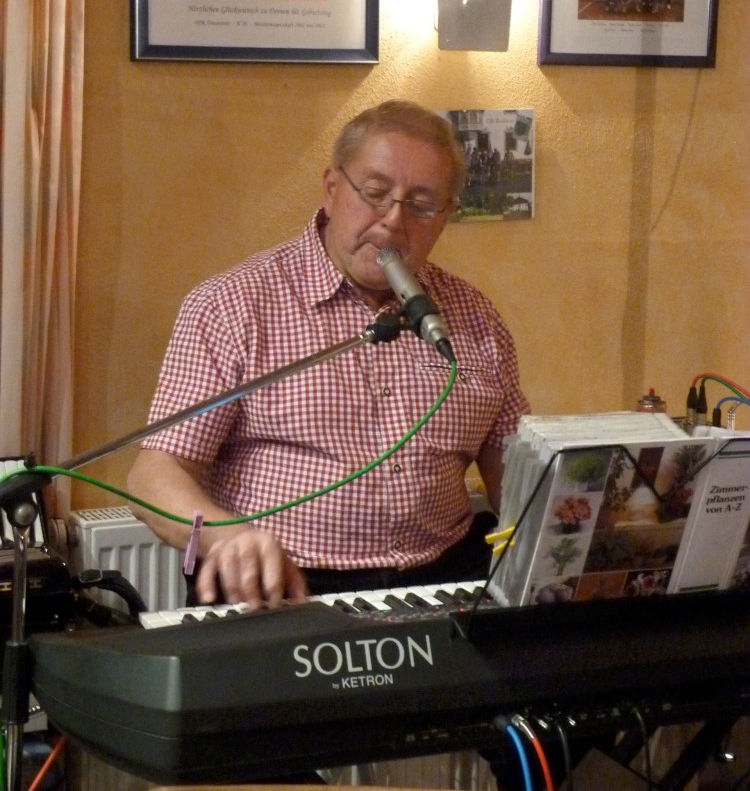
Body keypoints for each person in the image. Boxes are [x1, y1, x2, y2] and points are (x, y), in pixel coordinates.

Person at [127, 101, 529, 611]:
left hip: (442, 584)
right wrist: (228, 538)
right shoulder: (233, 304)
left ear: (446, 216)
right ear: (332, 188)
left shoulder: (474, 317)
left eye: (422, 205)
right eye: (375, 193)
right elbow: (155, 475)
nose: (393, 221)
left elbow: (517, 472)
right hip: (287, 588)